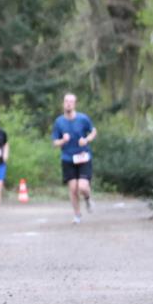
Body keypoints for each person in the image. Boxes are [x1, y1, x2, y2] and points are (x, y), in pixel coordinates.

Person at [51, 93, 97, 224]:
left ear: (75, 104)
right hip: (67, 158)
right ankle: (77, 215)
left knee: (82, 186)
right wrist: (62, 141)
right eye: (66, 101)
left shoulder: (83, 119)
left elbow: (93, 131)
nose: (68, 104)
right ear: (63, 103)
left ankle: (87, 199)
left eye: (71, 102)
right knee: (73, 188)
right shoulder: (59, 121)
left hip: (83, 156)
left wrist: (86, 139)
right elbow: (54, 142)